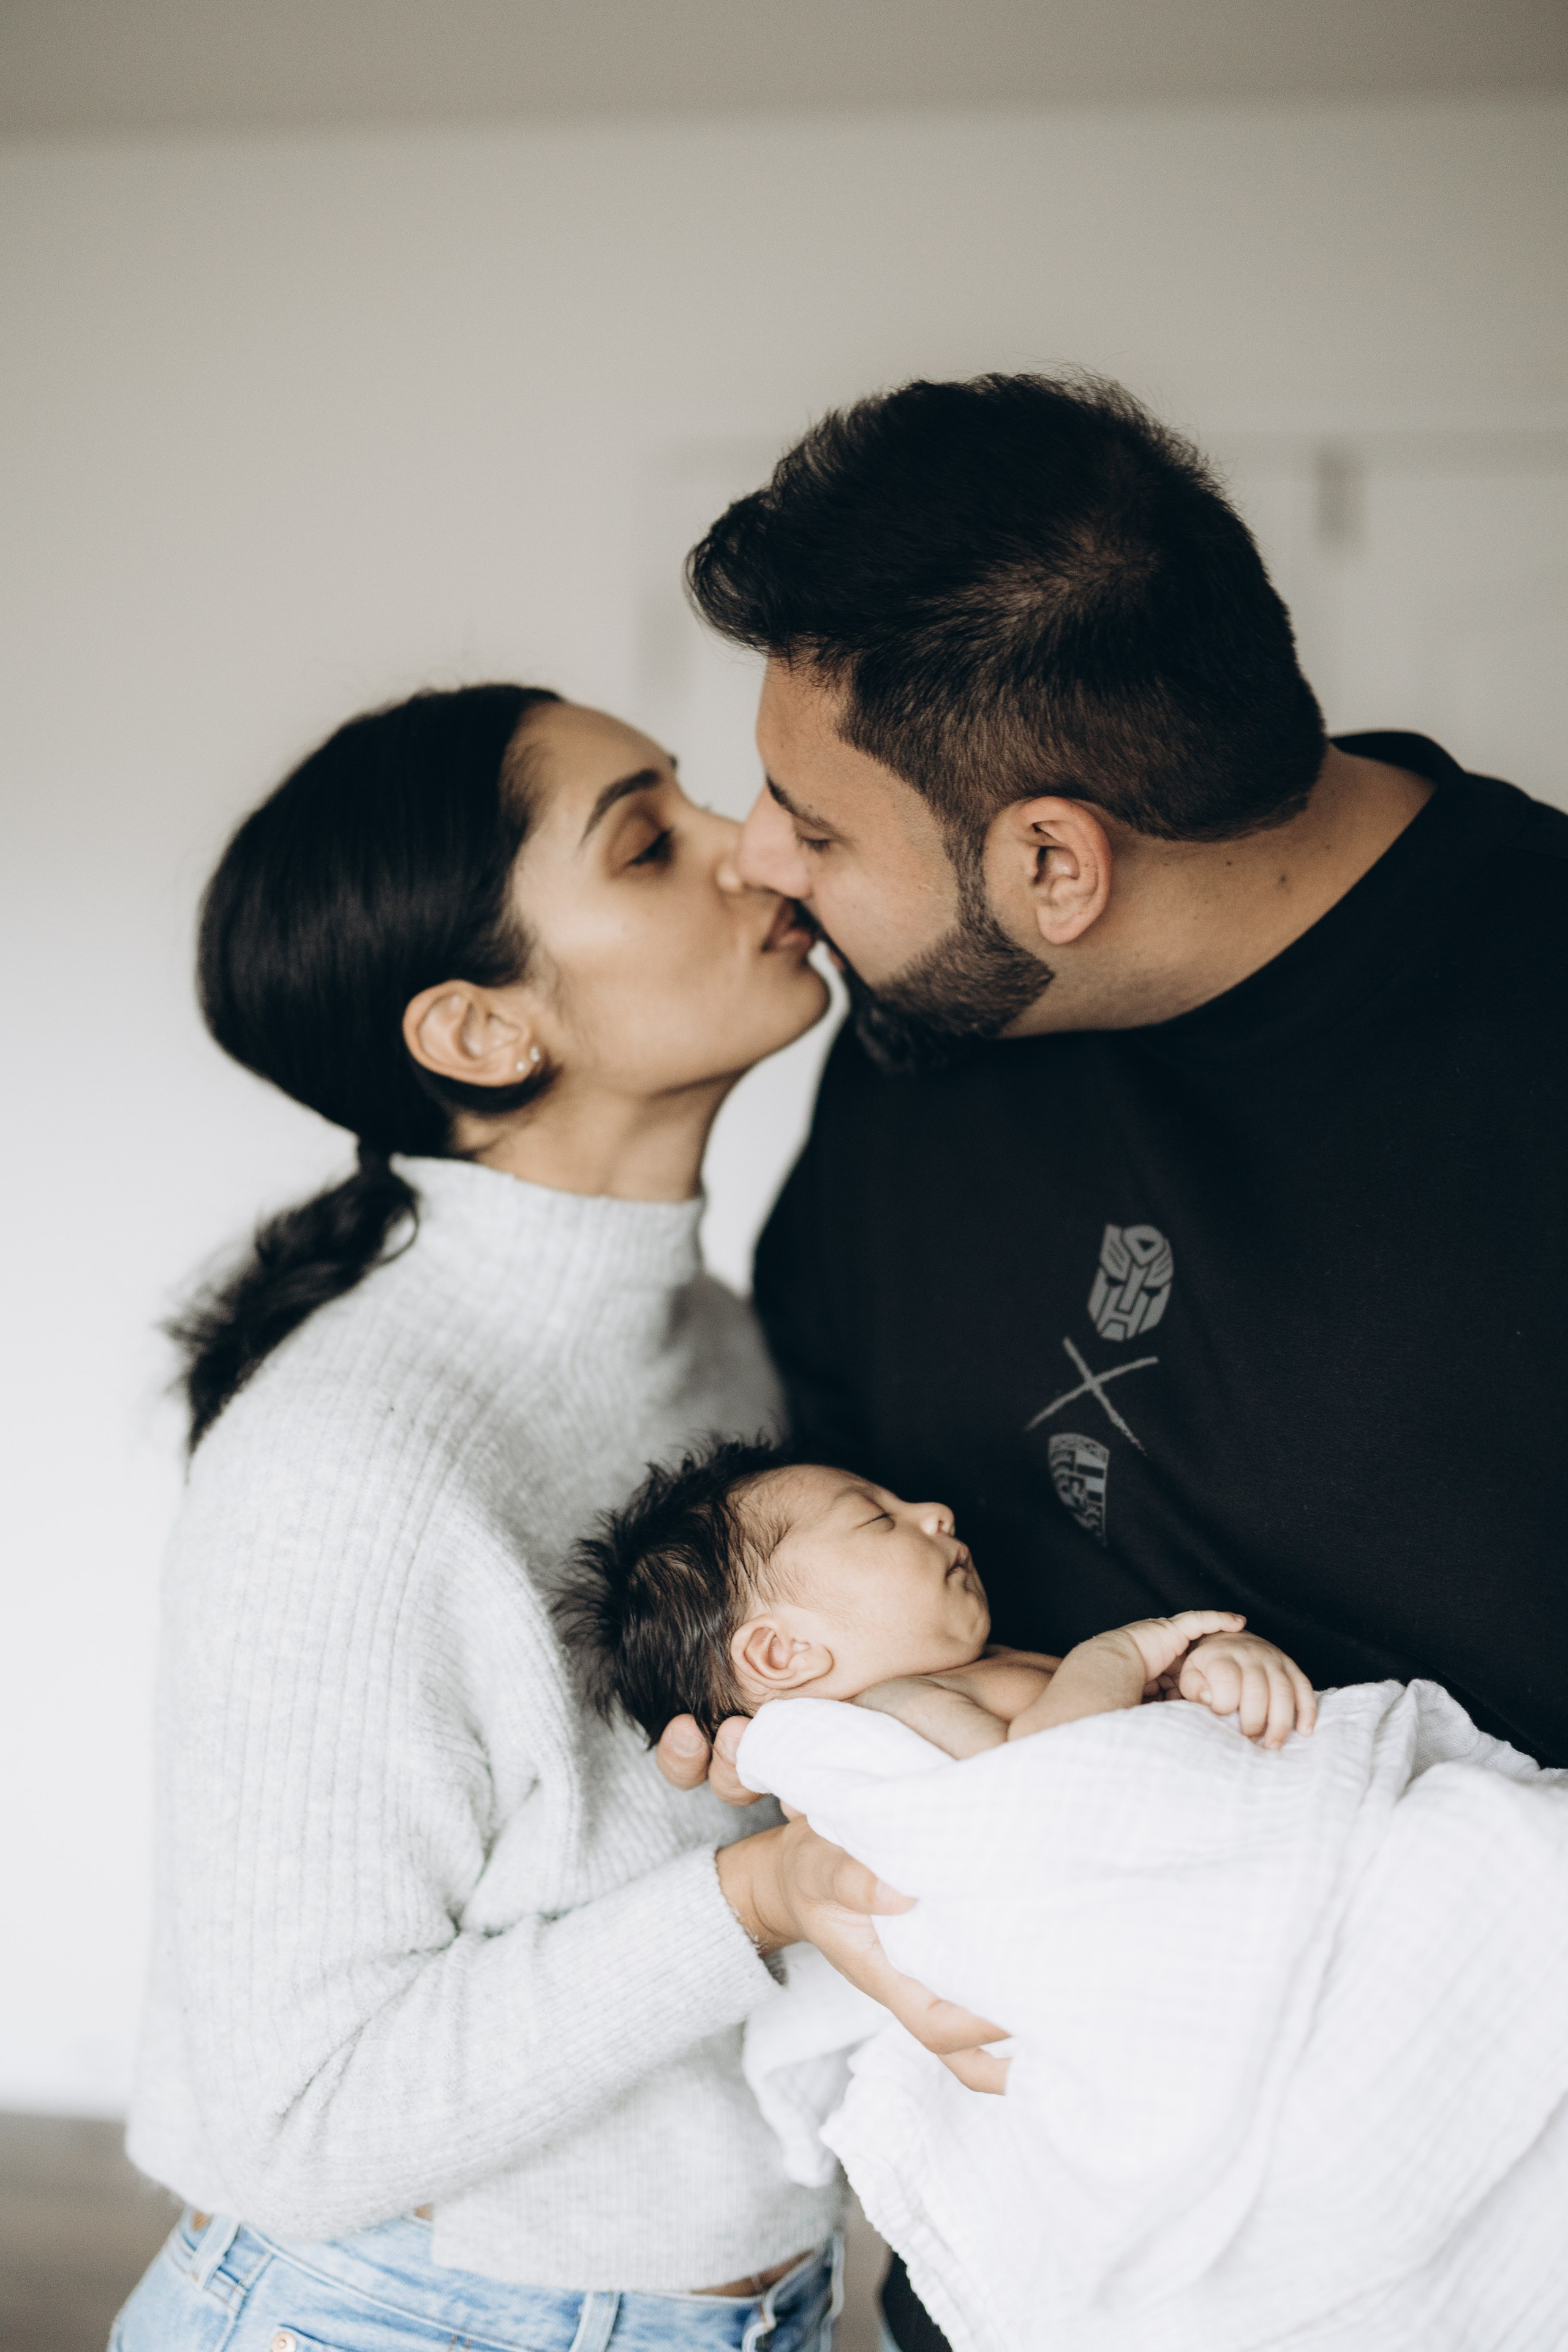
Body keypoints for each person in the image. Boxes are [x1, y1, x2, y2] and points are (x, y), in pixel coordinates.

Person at [654, 372, 1568, 2352]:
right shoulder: (927, 1039)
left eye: (812, 820)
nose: (753, 859)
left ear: (1056, 862)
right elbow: (819, 1506)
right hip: (1044, 2246)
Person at [115, 684, 994, 2352]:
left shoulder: (718, 1343)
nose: (756, 850)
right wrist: (758, 1900)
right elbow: (296, 2118)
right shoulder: (346, 1475)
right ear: (481, 1032)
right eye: (651, 844)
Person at [567, 1435, 1317, 1756]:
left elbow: (1134, 1723)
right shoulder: (892, 1713)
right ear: (781, 1650)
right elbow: (1042, 1770)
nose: (935, 1513)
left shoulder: (970, 1671)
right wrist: (1121, 1651)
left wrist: (1212, 1669)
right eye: (875, 1517)